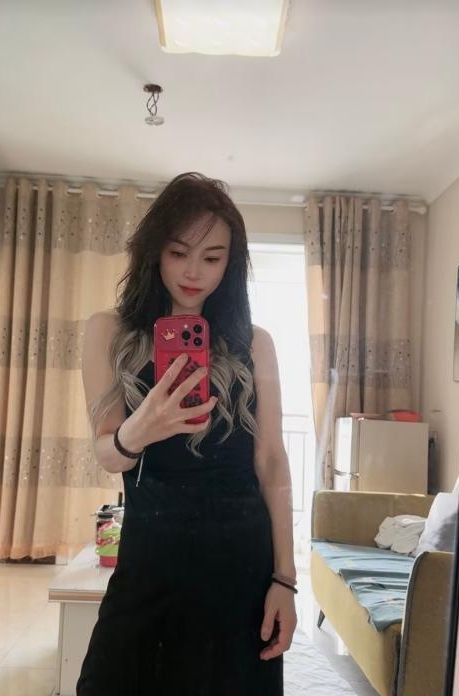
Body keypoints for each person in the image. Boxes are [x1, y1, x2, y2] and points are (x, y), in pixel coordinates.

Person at [77, 172, 298, 696]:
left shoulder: (256, 343)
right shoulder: (108, 331)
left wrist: (285, 579)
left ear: (231, 263)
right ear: (155, 251)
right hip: (150, 562)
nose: (194, 272)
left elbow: (271, 462)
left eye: (212, 257)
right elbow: (108, 454)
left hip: (241, 565)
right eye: (179, 253)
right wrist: (141, 428)